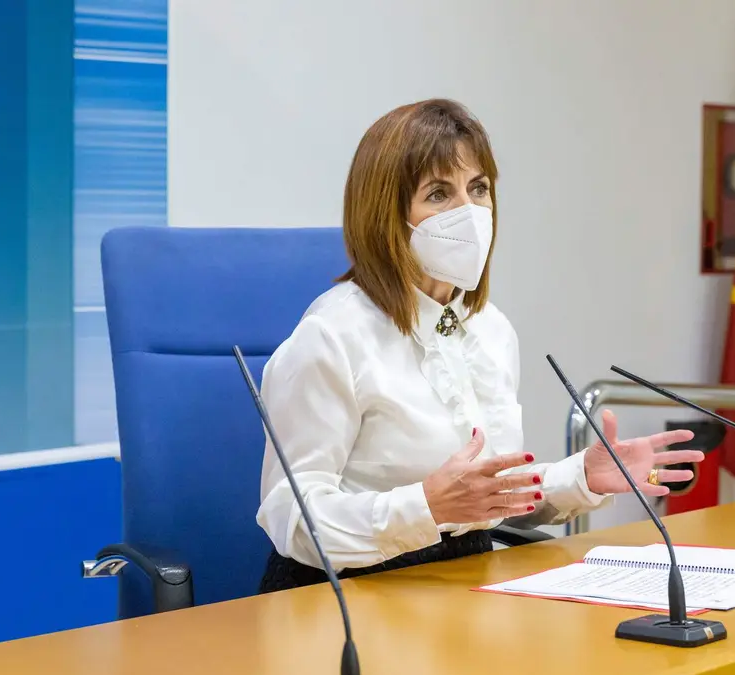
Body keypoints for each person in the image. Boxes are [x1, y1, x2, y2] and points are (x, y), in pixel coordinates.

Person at [256, 99, 703, 592]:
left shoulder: (491, 330)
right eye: (439, 194)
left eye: (479, 189)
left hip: (461, 581)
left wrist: (583, 477)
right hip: (343, 595)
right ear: (386, 215)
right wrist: (424, 508)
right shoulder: (332, 335)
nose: (468, 214)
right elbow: (291, 519)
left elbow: (489, 500)